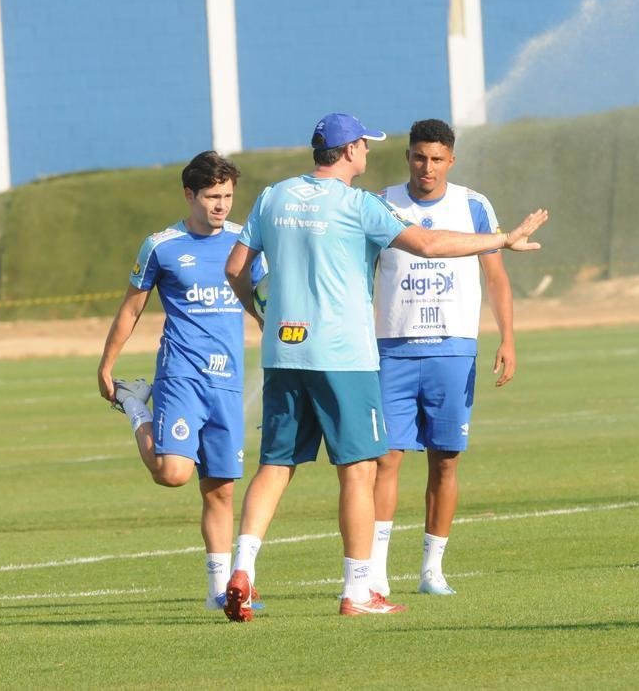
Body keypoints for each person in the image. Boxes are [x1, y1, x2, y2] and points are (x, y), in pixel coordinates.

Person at [222, 112, 547, 620]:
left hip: (285, 353)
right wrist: (502, 240)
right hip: (344, 357)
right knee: (359, 470)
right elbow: (431, 245)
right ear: (349, 150)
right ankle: (358, 590)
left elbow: (235, 269)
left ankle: (241, 569)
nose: (369, 153)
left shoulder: (274, 196)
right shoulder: (359, 205)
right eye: (365, 146)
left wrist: (258, 310)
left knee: (275, 466)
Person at [97, 151, 265, 611]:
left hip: (227, 380)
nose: (221, 205)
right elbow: (132, 306)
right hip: (181, 375)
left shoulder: (245, 242)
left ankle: (217, 593)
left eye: (228, 196)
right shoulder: (161, 245)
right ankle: (136, 405)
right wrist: (107, 364)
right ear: (189, 194)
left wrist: (278, 329)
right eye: (212, 196)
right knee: (173, 474)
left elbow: (262, 300)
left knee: (221, 489)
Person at [370, 118, 516, 597]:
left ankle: (432, 569)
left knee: (445, 460)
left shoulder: (473, 205)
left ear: (451, 160)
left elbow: (494, 276)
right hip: (392, 347)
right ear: (407, 156)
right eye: (418, 157)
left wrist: (507, 338)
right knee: (385, 458)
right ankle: (375, 569)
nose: (426, 167)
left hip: (454, 349)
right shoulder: (381, 203)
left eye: (436, 159)